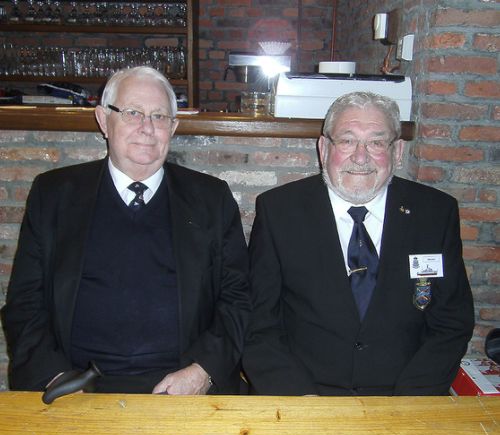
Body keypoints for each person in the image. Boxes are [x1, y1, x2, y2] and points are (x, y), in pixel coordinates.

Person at [2, 66, 250, 395]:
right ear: (104, 120)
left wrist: (203, 371)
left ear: (173, 128)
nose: (147, 128)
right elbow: (24, 302)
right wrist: (54, 377)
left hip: (184, 386)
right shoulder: (54, 194)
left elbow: (238, 298)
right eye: (132, 113)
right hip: (76, 385)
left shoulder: (211, 198)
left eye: (159, 116)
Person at [243, 91, 474, 396]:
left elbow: (451, 322)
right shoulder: (279, 212)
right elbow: (257, 323)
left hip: (405, 397)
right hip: (304, 396)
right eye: (347, 141)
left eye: (376, 143)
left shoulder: (435, 214)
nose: (361, 157)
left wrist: (409, 402)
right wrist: (301, 400)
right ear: (324, 149)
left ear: (397, 151)